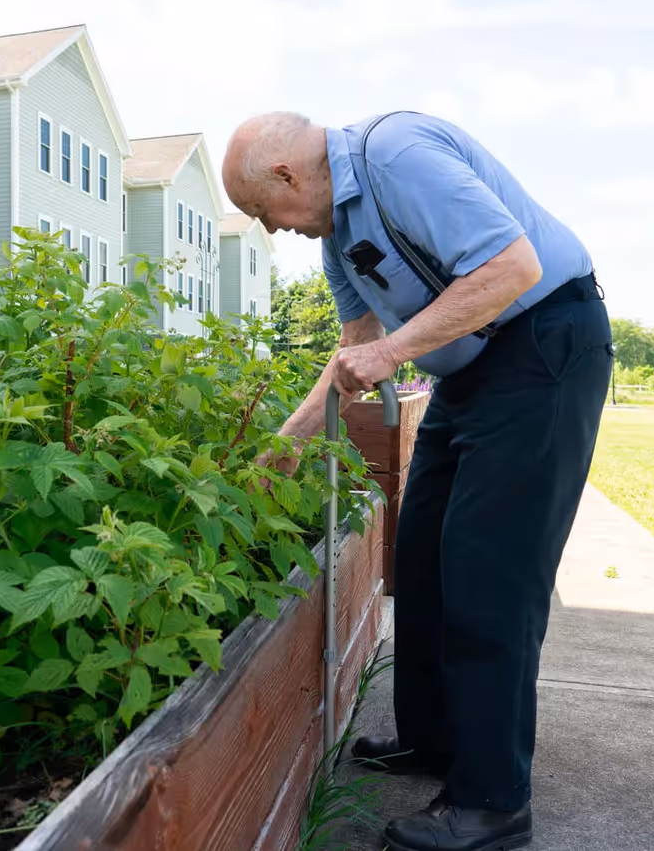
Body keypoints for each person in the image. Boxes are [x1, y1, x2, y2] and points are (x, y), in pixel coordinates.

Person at [222, 110, 613, 851]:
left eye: (259, 212)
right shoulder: (338, 236)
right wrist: (280, 448)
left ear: (285, 176)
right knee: (425, 551)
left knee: (488, 572)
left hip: (542, 351)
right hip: (467, 376)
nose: (270, 230)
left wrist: (396, 351)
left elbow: (513, 267)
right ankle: (434, 741)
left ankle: (493, 803)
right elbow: (355, 351)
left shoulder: (395, 156)